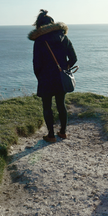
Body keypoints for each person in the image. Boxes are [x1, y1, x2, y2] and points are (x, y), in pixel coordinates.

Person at [28, 9, 77, 143]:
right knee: (61, 104)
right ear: (52, 24)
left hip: (45, 78)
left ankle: (50, 135)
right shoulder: (64, 37)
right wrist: (64, 68)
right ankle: (63, 132)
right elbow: (73, 58)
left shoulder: (39, 41)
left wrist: (40, 77)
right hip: (61, 77)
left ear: (40, 25)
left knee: (47, 106)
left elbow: (36, 63)